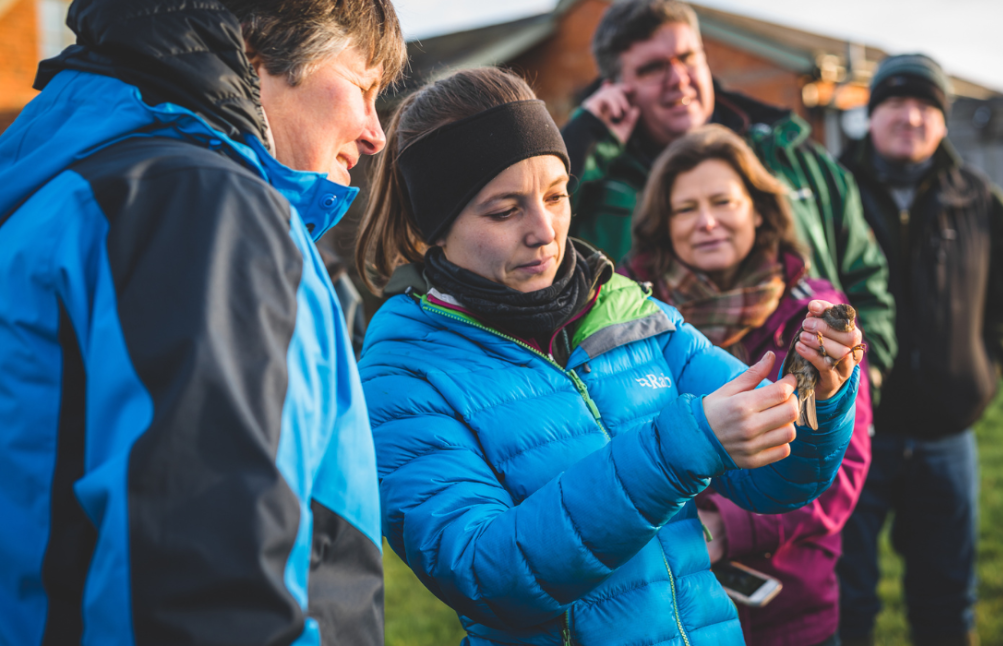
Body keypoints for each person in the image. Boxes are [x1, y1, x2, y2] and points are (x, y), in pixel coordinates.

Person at [355, 67, 862, 646]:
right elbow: (482, 571)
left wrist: (818, 396)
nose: (544, 231)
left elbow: (776, 482)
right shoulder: (405, 370)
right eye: (504, 211)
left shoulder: (625, 307)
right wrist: (680, 450)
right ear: (434, 227)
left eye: (555, 195)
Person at [0, 0, 404, 643]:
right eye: (364, 88)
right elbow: (204, 583)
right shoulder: (201, 206)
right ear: (259, 52)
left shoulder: (71, 191)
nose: (376, 132)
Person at [621, 123, 872, 646]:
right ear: (662, 223)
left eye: (723, 202)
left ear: (758, 209)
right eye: (685, 208)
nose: (707, 222)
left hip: (787, 603)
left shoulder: (815, 318)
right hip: (661, 607)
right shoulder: (627, 318)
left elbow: (843, 466)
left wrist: (725, 525)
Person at [561, 0, 897, 388]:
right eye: (653, 68)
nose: (678, 78)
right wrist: (582, 143)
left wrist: (863, 377)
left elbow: (865, 274)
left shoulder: (792, 155)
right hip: (664, 419)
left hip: (819, 412)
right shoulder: (596, 185)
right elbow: (536, 237)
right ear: (615, 88)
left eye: (687, 57)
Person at [835, 54, 1003, 646]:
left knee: (948, 603)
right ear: (870, 116)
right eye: (895, 103)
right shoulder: (833, 192)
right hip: (851, 434)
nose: (910, 117)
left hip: (947, 434)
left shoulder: (980, 200)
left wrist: (988, 368)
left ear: (943, 121)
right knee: (847, 601)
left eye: (925, 106)